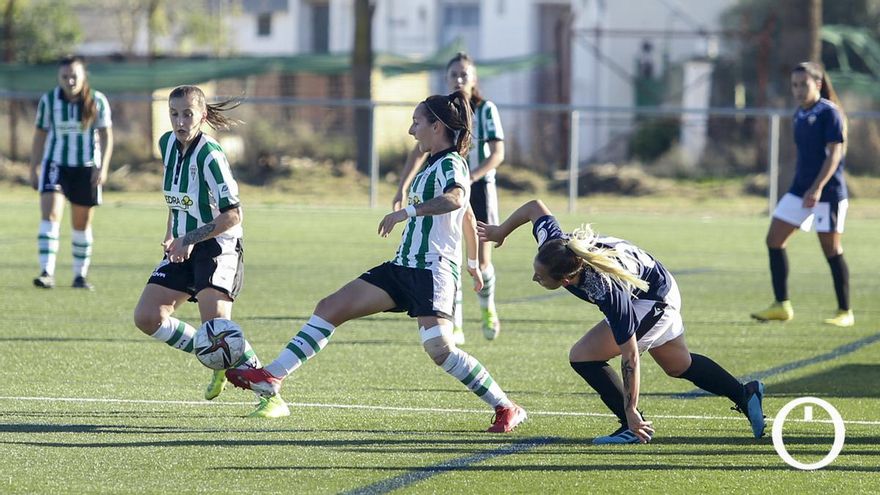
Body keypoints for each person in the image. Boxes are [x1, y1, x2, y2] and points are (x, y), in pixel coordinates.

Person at [226, 91, 527, 433]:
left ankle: (506, 406)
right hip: (402, 267)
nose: (412, 131)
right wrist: (473, 260)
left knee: (439, 349)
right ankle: (272, 375)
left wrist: (408, 211)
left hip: (433, 271)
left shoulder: (451, 164)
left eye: (417, 123)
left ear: (437, 126)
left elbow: (457, 199)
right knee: (330, 307)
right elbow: (469, 215)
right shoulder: (433, 164)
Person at [478, 199, 765, 444]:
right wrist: (500, 232)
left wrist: (632, 408)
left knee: (582, 356)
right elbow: (534, 207)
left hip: (654, 300)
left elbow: (630, 356)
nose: (534, 278)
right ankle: (745, 393)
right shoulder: (556, 247)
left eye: (540, 277)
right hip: (657, 282)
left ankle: (631, 426)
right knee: (678, 364)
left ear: (565, 280)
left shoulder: (604, 289)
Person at [133, 85, 289, 418]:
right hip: (185, 244)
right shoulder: (167, 145)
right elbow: (177, 200)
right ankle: (216, 356)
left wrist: (188, 238)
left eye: (188, 113)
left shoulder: (210, 155)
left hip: (218, 246)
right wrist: (172, 236)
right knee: (147, 317)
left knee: (219, 330)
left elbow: (234, 214)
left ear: (202, 115)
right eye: (174, 114)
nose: (180, 121)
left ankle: (270, 393)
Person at [393, 52, 506, 344]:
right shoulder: (441, 111)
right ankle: (454, 323)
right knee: (448, 251)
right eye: (454, 74)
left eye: (464, 75)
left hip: (478, 186)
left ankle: (487, 307)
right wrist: (402, 187)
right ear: (447, 78)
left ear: (474, 79)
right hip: (449, 185)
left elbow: (497, 155)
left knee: (481, 258)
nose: (458, 79)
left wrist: (468, 178)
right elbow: (419, 151)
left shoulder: (486, 109)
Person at [751, 62, 853, 327]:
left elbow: (834, 155)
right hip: (799, 191)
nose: (797, 90)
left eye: (803, 84)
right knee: (774, 239)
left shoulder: (829, 113)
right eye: (794, 85)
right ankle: (782, 305)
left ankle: (845, 311)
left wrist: (817, 188)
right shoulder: (799, 113)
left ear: (817, 84)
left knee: (831, 249)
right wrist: (804, 187)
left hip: (827, 193)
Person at [30, 55, 113, 290]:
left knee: (81, 223)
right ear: (59, 77)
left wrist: (103, 166)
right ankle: (46, 272)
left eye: (74, 76)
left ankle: (80, 276)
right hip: (55, 164)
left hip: (86, 168)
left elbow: (106, 136)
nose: (70, 80)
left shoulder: (97, 100)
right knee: (50, 214)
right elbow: (40, 135)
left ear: (84, 75)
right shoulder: (48, 101)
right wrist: (33, 167)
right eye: (65, 76)